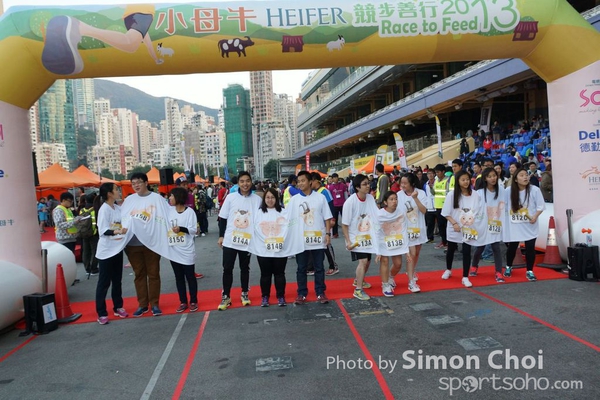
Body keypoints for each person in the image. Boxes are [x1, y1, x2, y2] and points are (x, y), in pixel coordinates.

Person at [42, 5, 163, 76]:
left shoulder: (143, 25)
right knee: (130, 43)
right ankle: (79, 27)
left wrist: (155, 58)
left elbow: (146, 39)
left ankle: (79, 28)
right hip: (143, 13)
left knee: (131, 45)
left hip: (132, 16)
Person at [121, 172, 169, 317]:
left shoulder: (157, 199)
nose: (136, 185)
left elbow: (165, 217)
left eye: (139, 182)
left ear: (146, 183)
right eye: (133, 183)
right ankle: (142, 304)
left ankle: (154, 304)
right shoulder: (129, 200)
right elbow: (123, 218)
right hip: (133, 244)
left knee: (153, 273)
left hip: (152, 243)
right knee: (139, 274)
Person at [217, 171, 262, 310]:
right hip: (230, 240)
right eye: (242, 181)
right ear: (238, 183)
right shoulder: (230, 198)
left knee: (245, 268)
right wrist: (221, 236)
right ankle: (226, 296)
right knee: (227, 268)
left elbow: (260, 220)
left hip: (247, 240)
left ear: (251, 182)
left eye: (247, 181)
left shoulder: (257, 200)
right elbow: (223, 218)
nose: (245, 184)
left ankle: (244, 293)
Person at [252, 188, 303, 307]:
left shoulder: (284, 212)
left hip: (280, 249)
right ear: (264, 199)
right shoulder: (258, 213)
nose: (270, 200)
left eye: (272, 197)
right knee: (265, 274)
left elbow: (289, 226)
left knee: (279, 273)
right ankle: (265, 296)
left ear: (277, 199)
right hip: (263, 250)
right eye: (267, 197)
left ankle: (281, 296)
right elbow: (255, 228)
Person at [288, 171, 333, 305]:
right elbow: (288, 219)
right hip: (300, 241)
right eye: (299, 181)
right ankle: (301, 293)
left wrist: (327, 234)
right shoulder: (294, 200)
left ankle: (320, 292)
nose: (300, 183)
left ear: (310, 182)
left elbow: (327, 217)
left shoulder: (320, 198)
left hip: (318, 239)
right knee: (301, 268)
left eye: (303, 181)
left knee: (319, 267)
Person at [441, 170, 485, 288]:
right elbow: (446, 213)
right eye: (463, 180)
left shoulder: (475, 194)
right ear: (458, 181)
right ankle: (448, 269)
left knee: (467, 250)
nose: (466, 182)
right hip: (454, 227)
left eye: (467, 179)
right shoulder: (452, 195)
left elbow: (479, 210)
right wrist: (454, 223)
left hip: (469, 227)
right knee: (451, 249)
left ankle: (465, 276)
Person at [94, 183, 129, 325]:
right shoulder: (104, 210)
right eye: (116, 189)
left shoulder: (117, 208)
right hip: (106, 252)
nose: (118, 191)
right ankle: (101, 313)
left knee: (117, 280)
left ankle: (118, 307)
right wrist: (117, 231)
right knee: (104, 283)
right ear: (109, 193)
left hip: (117, 249)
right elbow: (103, 230)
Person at [342, 174, 380, 301]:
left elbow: (376, 214)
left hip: (368, 236)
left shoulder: (370, 198)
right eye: (364, 184)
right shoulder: (350, 202)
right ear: (357, 187)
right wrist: (348, 241)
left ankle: (359, 280)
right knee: (363, 261)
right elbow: (345, 224)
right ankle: (358, 290)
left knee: (367, 261)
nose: (368, 186)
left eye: (368, 183)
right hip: (356, 238)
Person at [504, 168, 545, 281]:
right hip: (514, 224)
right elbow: (503, 206)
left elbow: (540, 206)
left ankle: (530, 270)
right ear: (516, 179)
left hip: (529, 223)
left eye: (526, 175)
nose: (525, 177)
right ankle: (508, 266)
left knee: (530, 247)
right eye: (521, 175)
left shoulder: (534, 190)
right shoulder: (508, 191)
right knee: (512, 247)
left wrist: (535, 216)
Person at [470, 168, 506, 283]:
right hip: (483, 224)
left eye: (494, 176)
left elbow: (505, 205)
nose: (493, 178)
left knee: (496, 247)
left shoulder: (501, 190)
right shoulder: (480, 193)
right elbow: (474, 208)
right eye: (489, 176)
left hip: (495, 223)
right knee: (480, 247)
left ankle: (498, 272)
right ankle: (474, 266)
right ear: (485, 178)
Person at [167, 187, 199, 313]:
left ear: (178, 197)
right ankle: (183, 301)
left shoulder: (190, 212)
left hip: (186, 249)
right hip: (173, 250)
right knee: (178, 277)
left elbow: (194, 230)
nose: (169, 198)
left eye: (171, 196)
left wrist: (181, 229)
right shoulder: (168, 211)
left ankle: (193, 301)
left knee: (190, 276)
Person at [396, 173, 428, 293]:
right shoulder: (399, 195)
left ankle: (411, 270)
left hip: (418, 228)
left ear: (412, 183)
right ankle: (411, 282)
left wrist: (415, 198)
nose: (402, 185)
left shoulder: (421, 193)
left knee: (416, 252)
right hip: (406, 229)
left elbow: (424, 210)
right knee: (412, 253)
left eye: (405, 183)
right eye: (401, 183)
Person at [376, 191, 409, 297]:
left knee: (398, 264)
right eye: (391, 199)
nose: (394, 201)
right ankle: (385, 285)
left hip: (396, 240)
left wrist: (406, 250)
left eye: (396, 199)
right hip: (383, 240)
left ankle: (390, 277)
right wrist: (377, 250)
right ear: (385, 202)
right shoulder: (379, 214)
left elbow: (404, 230)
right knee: (384, 261)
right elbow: (376, 231)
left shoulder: (401, 212)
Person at [311, 173, 339, 276]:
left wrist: (332, 219)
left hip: (326, 222)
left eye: (311, 181)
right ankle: (315, 266)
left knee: (327, 244)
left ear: (316, 181)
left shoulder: (324, 191)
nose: (310, 183)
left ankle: (333, 266)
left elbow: (331, 205)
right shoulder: (313, 192)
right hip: (317, 223)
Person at [80, 193, 100, 276]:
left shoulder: (82, 210)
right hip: (94, 233)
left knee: (86, 251)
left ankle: (87, 268)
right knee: (94, 251)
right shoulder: (95, 209)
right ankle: (93, 268)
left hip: (84, 233)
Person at [432, 164, 450, 249]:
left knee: (447, 226)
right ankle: (444, 242)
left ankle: (450, 243)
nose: (437, 174)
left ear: (443, 172)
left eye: (438, 172)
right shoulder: (436, 180)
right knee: (441, 226)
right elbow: (434, 193)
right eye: (436, 172)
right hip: (438, 206)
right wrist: (431, 188)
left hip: (446, 206)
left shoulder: (448, 180)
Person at [327, 173, 348, 238]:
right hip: (334, 205)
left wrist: (347, 203)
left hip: (342, 204)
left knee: (345, 219)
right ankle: (335, 233)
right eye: (334, 178)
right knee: (334, 220)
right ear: (332, 179)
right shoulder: (330, 187)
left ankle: (346, 232)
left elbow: (345, 194)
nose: (335, 179)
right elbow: (330, 197)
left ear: (338, 177)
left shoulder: (342, 185)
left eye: (336, 177)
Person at [423, 170, 437, 243]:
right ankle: (430, 237)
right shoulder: (425, 185)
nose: (430, 175)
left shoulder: (437, 182)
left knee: (441, 224)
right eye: (428, 174)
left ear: (434, 174)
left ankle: (444, 240)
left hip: (437, 205)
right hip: (429, 206)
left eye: (431, 173)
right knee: (430, 223)